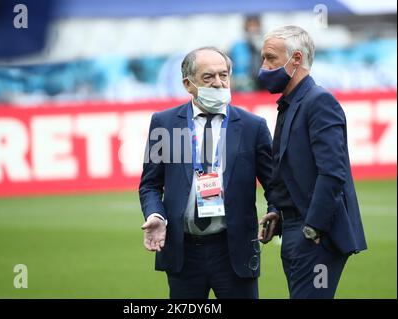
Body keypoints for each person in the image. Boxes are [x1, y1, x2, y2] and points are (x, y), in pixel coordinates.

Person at [139, 47, 276, 299]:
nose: (218, 83)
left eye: (223, 75)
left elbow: (274, 184)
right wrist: (156, 214)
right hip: (183, 252)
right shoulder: (166, 123)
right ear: (188, 84)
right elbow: (150, 184)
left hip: (234, 249)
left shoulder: (251, 126)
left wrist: (275, 210)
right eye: (208, 77)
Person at [257, 26, 367, 299]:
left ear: (296, 59)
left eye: (271, 58)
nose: (264, 67)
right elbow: (286, 170)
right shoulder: (291, 102)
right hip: (293, 228)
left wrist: (313, 227)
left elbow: (332, 172)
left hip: (314, 235)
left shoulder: (319, 102)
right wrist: (276, 210)